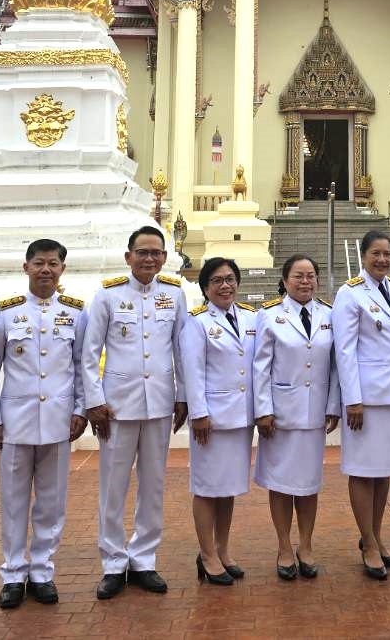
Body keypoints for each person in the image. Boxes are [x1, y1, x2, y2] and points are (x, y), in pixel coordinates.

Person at [81, 225, 188, 600]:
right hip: (116, 406)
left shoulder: (174, 294)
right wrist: (94, 400)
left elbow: (181, 349)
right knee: (113, 488)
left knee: (153, 485)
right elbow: (89, 353)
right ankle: (113, 562)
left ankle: (143, 558)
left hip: (158, 403)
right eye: (142, 252)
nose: (149, 259)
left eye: (156, 253)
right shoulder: (109, 295)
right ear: (129, 257)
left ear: (163, 258)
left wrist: (183, 396)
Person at [0, 239, 88, 609]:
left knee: (51, 501)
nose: (46, 270)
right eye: (39, 263)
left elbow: (81, 367)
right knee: (13, 500)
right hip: (14, 422)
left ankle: (42, 569)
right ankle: (13, 572)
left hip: (59, 421)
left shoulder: (75, 313)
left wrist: (80, 409)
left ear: (62, 269)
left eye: (53, 264)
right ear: (25, 267)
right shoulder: (7, 312)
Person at [332, 229, 390, 581]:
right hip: (365, 399)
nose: (382, 259)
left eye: (387, 253)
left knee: (384, 471)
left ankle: (377, 536)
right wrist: (352, 399)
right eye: (375, 254)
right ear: (363, 255)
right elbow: (344, 350)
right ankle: (366, 542)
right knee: (363, 470)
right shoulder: (350, 294)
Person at [253, 254, 340, 580]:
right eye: (298, 276)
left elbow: (334, 366)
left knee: (308, 484)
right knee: (280, 483)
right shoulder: (269, 315)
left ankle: (306, 545)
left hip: (314, 412)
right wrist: (263, 410)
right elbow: (260, 367)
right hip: (280, 414)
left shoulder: (329, 315)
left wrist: (333, 406)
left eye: (310, 276)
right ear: (285, 280)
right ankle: (284, 546)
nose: (305, 282)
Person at [180, 256, 256, 585]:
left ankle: (223, 550)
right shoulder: (196, 322)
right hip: (210, 420)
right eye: (217, 280)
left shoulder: (251, 318)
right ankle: (207, 554)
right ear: (205, 288)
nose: (225, 285)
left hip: (241, 417)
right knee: (207, 488)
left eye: (230, 279)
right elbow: (192, 371)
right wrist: (198, 413)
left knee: (228, 489)